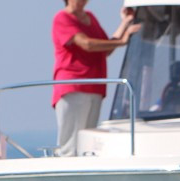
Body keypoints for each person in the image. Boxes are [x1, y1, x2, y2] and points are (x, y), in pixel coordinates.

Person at [52, 0, 140, 156]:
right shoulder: (62, 18)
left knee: (87, 143)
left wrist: (125, 23)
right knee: (71, 146)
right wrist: (122, 41)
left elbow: (106, 48)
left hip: (94, 87)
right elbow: (86, 44)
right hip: (74, 86)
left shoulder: (90, 17)